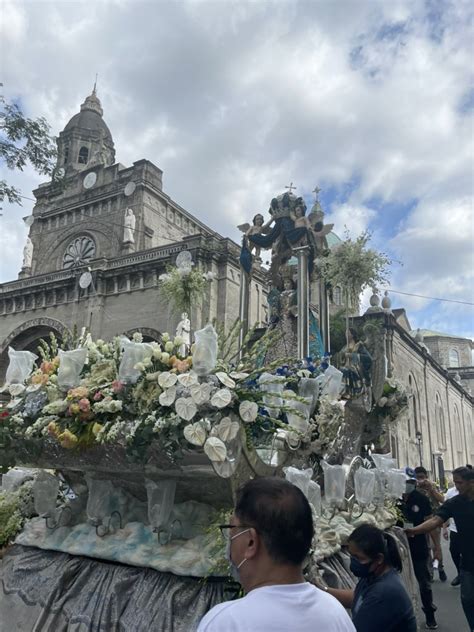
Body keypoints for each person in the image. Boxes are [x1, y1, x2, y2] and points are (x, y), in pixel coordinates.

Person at [196, 477, 355, 632]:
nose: (230, 539)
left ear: (251, 542)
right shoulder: (335, 614)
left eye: (232, 529)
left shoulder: (226, 622)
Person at [406, 467, 474, 631]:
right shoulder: (455, 503)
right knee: (467, 599)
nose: (457, 486)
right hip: (468, 563)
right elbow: (436, 520)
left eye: (460, 482)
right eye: (455, 482)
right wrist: (414, 531)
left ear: (472, 483)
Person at [318, 524, 416, 632]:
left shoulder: (384, 593)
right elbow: (357, 597)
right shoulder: (373, 576)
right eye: (351, 556)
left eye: (358, 557)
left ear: (379, 558)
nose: (353, 561)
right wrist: (322, 590)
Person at [401, 477, 439, 629]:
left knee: (423, 583)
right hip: (399, 547)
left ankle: (430, 613)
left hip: (418, 546)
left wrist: (437, 547)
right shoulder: (393, 499)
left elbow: (431, 522)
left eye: (409, 482)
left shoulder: (421, 499)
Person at [414, 466, 447, 582]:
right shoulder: (414, 488)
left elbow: (442, 499)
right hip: (421, 521)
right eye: (417, 478)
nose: (420, 480)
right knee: (426, 547)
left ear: (426, 477)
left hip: (434, 519)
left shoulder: (433, 486)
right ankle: (430, 572)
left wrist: (431, 490)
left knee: (435, 546)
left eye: (422, 477)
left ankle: (440, 567)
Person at [443, 479, 460, 586]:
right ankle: (460, 573)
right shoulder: (450, 492)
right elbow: (445, 512)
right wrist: (444, 528)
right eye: (456, 481)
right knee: (454, 551)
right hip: (455, 529)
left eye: (460, 481)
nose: (458, 484)